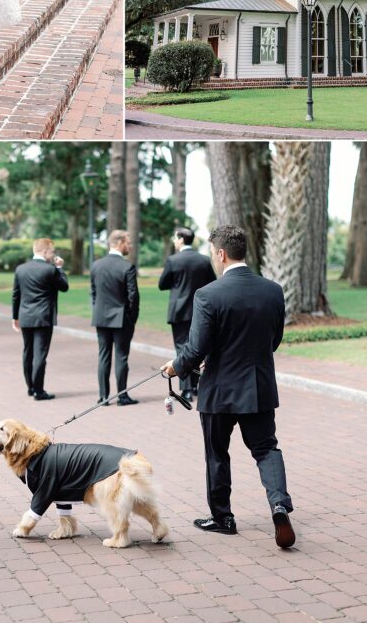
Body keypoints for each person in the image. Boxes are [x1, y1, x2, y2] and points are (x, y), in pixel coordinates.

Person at [162, 224, 295, 547]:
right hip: (259, 386)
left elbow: (195, 349)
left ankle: (223, 517)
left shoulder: (208, 295)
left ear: (221, 254)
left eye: (212, 252)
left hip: (219, 389)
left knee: (217, 453)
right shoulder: (272, 290)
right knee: (266, 449)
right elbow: (273, 340)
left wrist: (174, 368)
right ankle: (279, 504)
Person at [158, 227, 215, 401]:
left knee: (182, 348)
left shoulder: (173, 260)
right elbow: (212, 283)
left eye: (175, 238)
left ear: (181, 239)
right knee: (199, 347)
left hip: (179, 311)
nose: (174, 242)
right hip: (201, 311)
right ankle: (195, 386)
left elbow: (162, 284)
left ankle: (187, 389)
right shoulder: (204, 260)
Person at [12, 238, 69, 401]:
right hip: (43, 317)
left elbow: (16, 294)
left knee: (27, 352)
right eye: (52, 251)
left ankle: (30, 387)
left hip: (26, 316)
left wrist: (15, 317)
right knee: (40, 354)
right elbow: (64, 286)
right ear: (44, 251)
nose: (53, 255)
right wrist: (60, 268)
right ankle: (39, 391)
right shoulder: (50, 270)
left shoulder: (20, 269)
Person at [90, 229, 140, 406]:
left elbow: (93, 293)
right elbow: (133, 296)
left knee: (103, 356)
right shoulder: (127, 266)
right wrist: (132, 318)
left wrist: (97, 311)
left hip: (101, 317)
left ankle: (103, 397)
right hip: (121, 319)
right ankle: (122, 396)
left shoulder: (96, 265)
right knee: (121, 357)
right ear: (119, 243)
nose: (130, 246)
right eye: (128, 242)